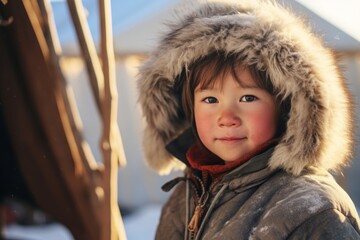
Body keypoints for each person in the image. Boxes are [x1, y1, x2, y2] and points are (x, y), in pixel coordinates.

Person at [137, 0, 360, 239]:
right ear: (188, 108)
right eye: (210, 100)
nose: (227, 118)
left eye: (247, 98)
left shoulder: (313, 212)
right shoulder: (187, 194)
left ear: (288, 107)